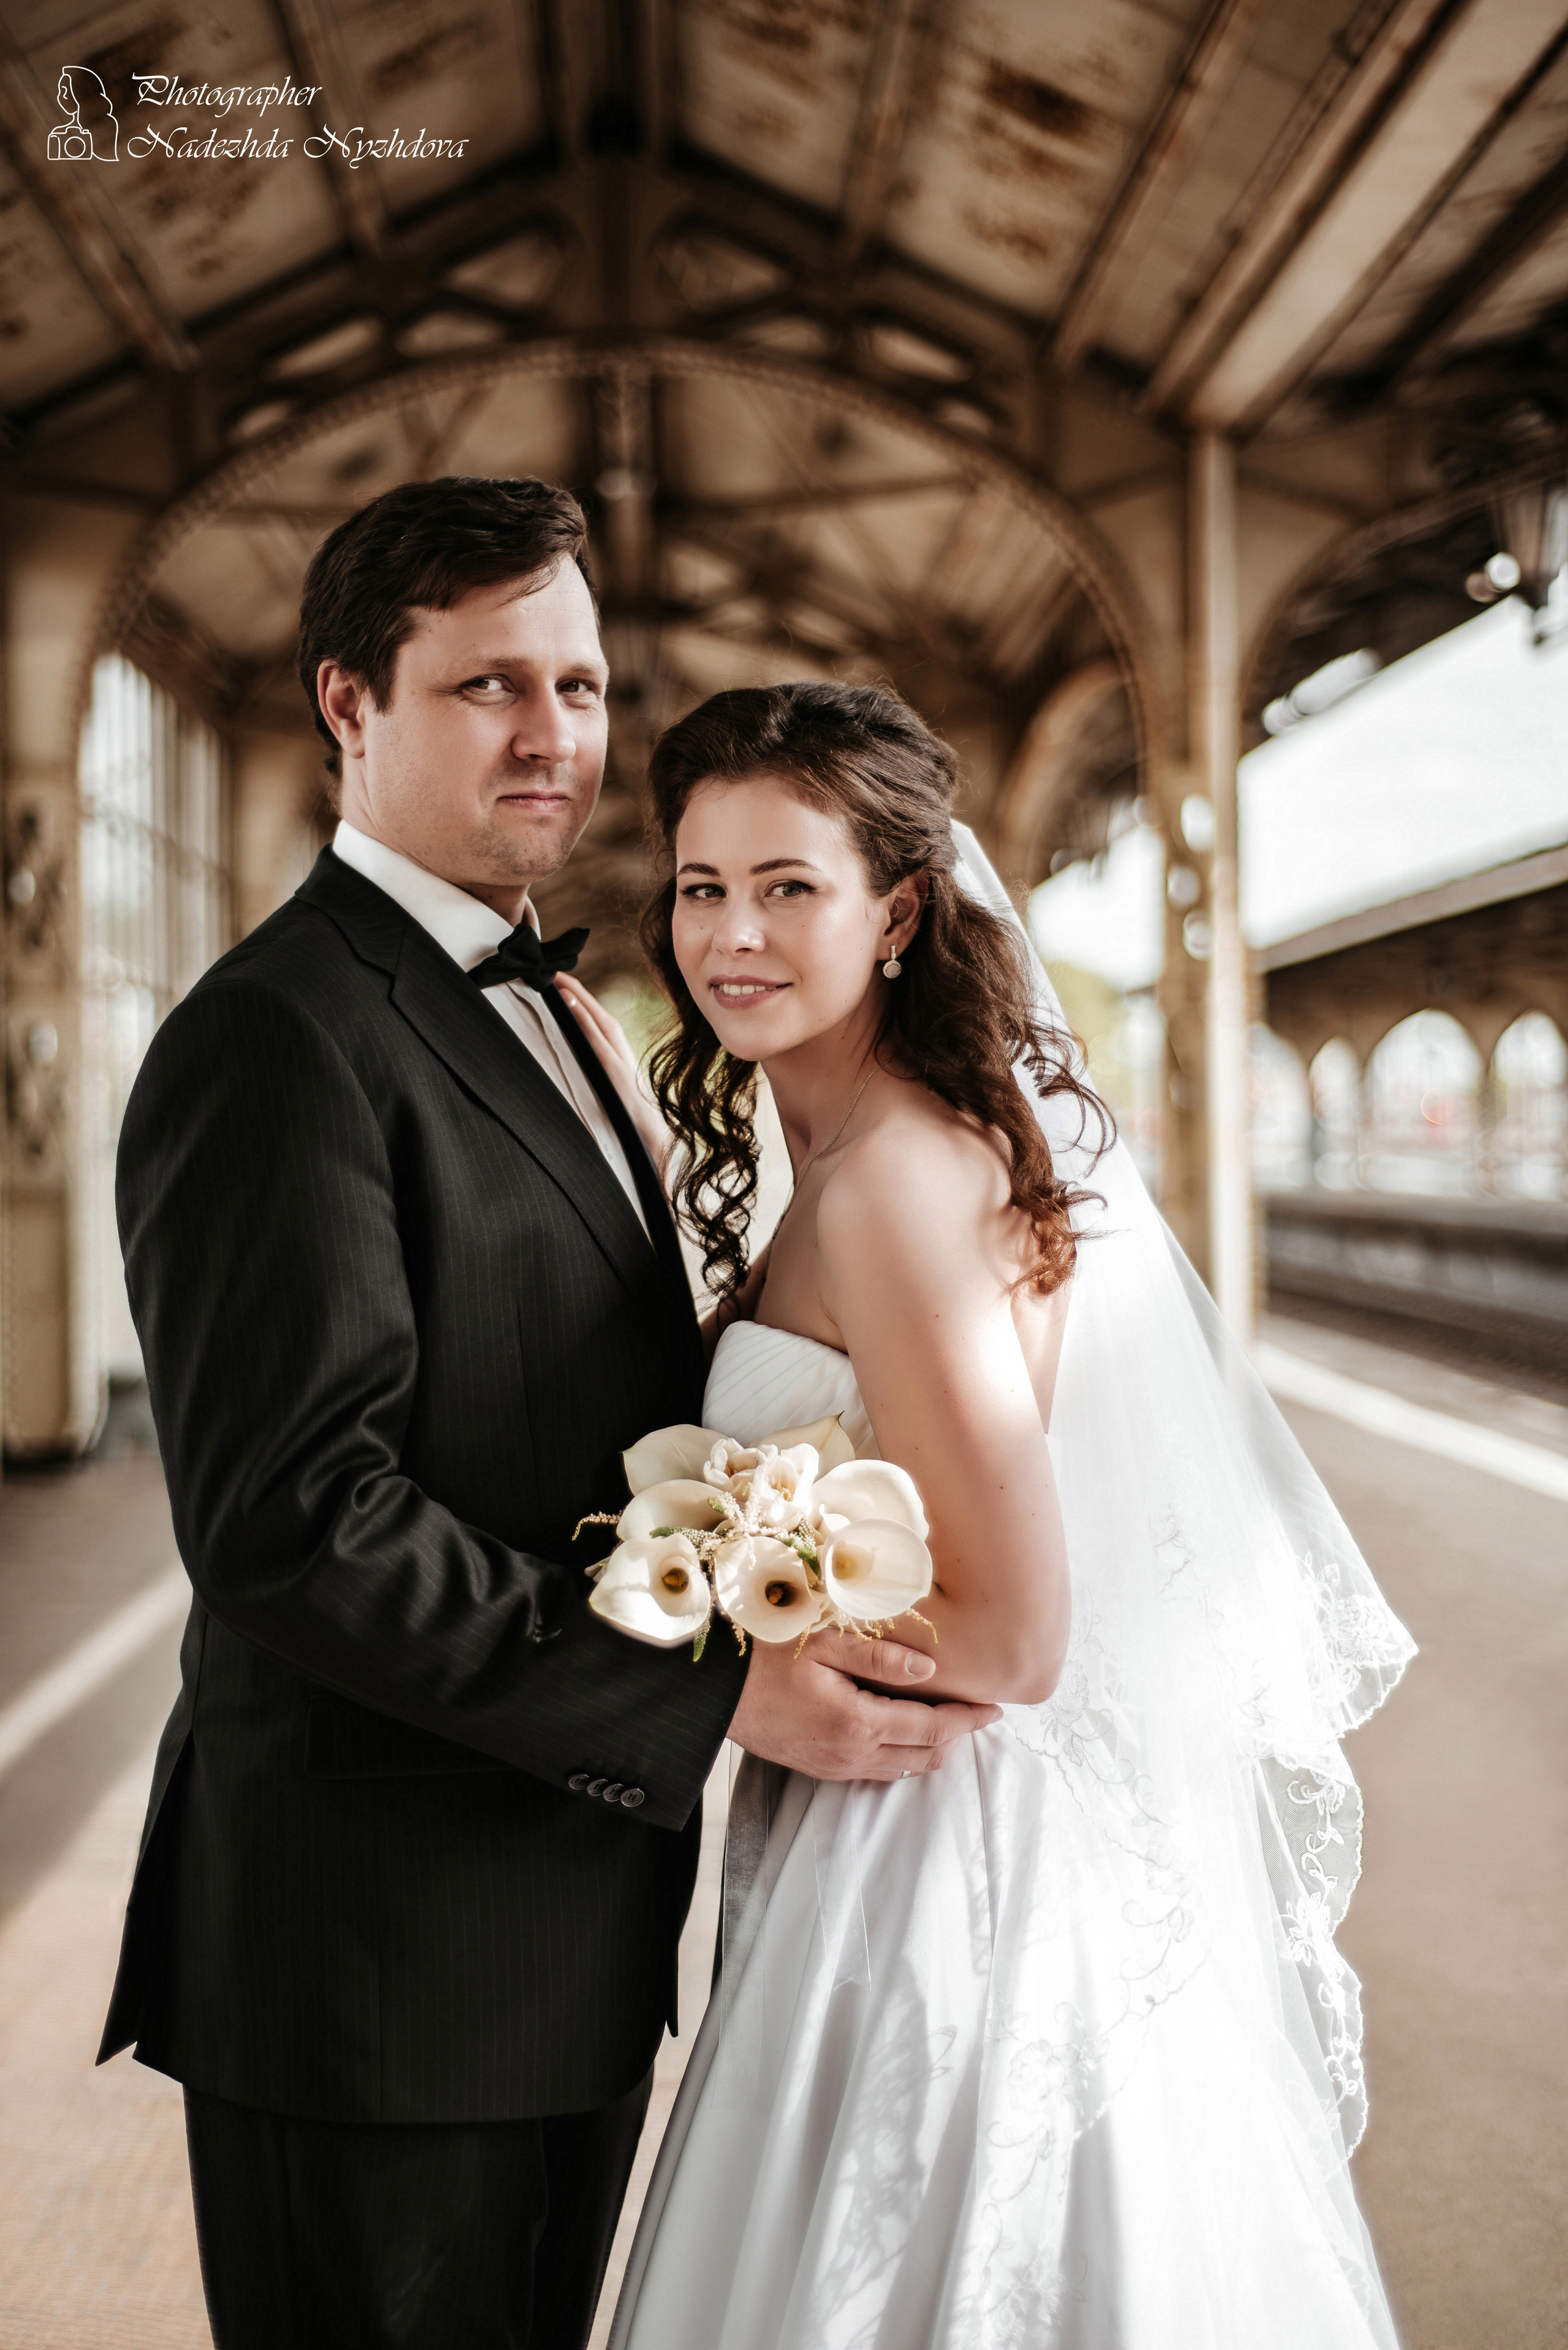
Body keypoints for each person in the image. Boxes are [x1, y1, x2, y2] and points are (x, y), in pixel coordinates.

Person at [97, 480, 995, 2350]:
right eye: (488, 684)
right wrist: (716, 1688)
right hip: (376, 1966)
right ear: (350, 703)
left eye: (578, 685)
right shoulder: (280, 1037)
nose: (555, 734)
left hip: (553, 1930)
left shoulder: (569, 1007)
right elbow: (294, 1516)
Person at [569, 681, 1415, 2348]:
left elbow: (1022, 1631)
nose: (731, 933)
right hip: (884, 1814)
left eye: (787, 886)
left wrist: (730, 1613)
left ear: (897, 909)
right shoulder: (878, 1145)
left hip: (932, 1857)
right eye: (700, 885)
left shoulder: (891, 1182)